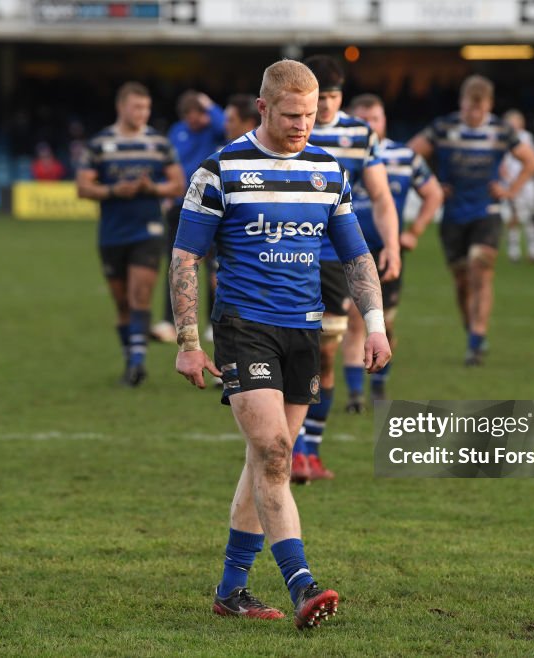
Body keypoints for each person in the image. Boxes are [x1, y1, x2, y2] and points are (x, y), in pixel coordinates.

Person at [170, 59, 390, 629]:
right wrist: (189, 341)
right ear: (263, 108)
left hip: (303, 331)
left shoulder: (328, 170)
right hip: (244, 327)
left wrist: (376, 323)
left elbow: (357, 256)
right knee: (273, 453)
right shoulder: (220, 170)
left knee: (267, 458)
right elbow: (185, 258)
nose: (301, 126)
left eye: (310, 116)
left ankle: (230, 592)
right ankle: (302, 584)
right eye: (290, 115)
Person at [290, 55, 400, 483]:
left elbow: (383, 195)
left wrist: (391, 243)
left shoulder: (359, 134)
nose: (328, 106)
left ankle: (309, 451)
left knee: (326, 354)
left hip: (334, 261)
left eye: (334, 97)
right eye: (323, 97)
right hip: (286, 257)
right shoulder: (290, 127)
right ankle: (291, 448)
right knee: (294, 349)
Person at [409, 75, 534, 366]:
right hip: (453, 215)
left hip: (487, 213)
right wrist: (432, 184)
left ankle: (475, 342)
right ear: (461, 103)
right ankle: (473, 333)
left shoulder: (502, 130)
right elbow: (409, 153)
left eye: (478, 110)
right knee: (462, 282)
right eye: (468, 108)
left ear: (489, 106)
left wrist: (510, 191)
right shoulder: (443, 128)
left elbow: (531, 161)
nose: (473, 114)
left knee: (481, 270)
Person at [76, 82, 185, 386]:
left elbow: (178, 184)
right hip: (112, 232)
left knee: (140, 295)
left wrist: (153, 189)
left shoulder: (158, 143)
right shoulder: (100, 143)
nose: (142, 113)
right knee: (122, 302)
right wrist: (113, 190)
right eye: (136, 107)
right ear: (121, 107)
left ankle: (138, 364)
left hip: (147, 229)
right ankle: (130, 359)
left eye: (146, 107)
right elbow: (83, 187)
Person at [348, 93, 444, 403]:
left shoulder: (404, 157)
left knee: (384, 321)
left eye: (374, 118)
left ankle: (378, 381)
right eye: (361, 120)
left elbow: (434, 193)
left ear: (384, 120)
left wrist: (414, 231)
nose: (369, 125)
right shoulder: (333, 153)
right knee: (347, 322)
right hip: (340, 251)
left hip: (386, 251)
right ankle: (353, 394)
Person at [154, 90, 227, 343]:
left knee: (213, 267)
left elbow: (228, 126)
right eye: (192, 114)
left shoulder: (213, 131)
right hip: (179, 205)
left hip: (208, 206)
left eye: (200, 113)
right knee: (177, 264)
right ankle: (170, 320)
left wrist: (211, 104)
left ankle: (211, 322)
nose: (196, 119)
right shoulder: (177, 131)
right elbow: (167, 163)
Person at [500, 110, 534, 263]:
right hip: (510, 184)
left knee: (533, 216)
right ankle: (514, 252)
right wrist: (509, 180)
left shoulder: (527, 137)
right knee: (514, 217)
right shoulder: (502, 138)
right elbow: (500, 164)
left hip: (528, 183)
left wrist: (526, 178)